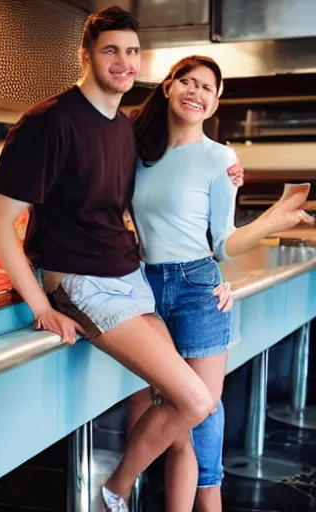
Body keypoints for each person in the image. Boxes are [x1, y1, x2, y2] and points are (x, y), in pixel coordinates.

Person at [0, 8, 223, 512]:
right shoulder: (46, 122)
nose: (123, 62)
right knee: (196, 400)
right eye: (110, 50)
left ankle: (124, 492)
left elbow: (175, 157)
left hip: (131, 278)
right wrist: (42, 305)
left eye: (132, 52)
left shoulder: (123, 127)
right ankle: (115, 491)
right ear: (86, 55)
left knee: (180, 416)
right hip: (82, 283)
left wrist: (226, 168)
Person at [127, 55, 315, 512]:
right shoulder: (136, 150)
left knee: (201, 410)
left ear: (216, 101)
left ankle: (209, 501)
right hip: (143, 287)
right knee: (165, 418)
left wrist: (274, 217)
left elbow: (225, 243)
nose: (196, 92)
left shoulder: (220, 158)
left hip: (198, 287)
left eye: (207, 88)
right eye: (187, 82)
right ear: (168, 87)